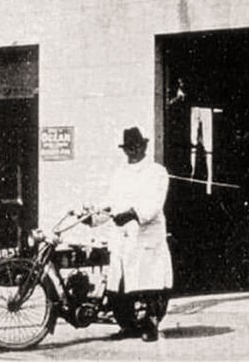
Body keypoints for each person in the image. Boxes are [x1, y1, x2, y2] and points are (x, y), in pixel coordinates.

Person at [93, 126, 173, 342]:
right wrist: (94, 215)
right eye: (129, 147)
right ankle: (127, 326)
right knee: (119, 287)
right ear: (124, 149)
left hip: (145, 236)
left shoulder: (156, 171)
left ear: (144, 146)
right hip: (122, 238)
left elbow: (154, 204)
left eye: (137, 146)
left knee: (147, 284)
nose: (133, 151)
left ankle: (150, 326)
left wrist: (132, 214)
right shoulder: (120, 173)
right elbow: (110, 201)